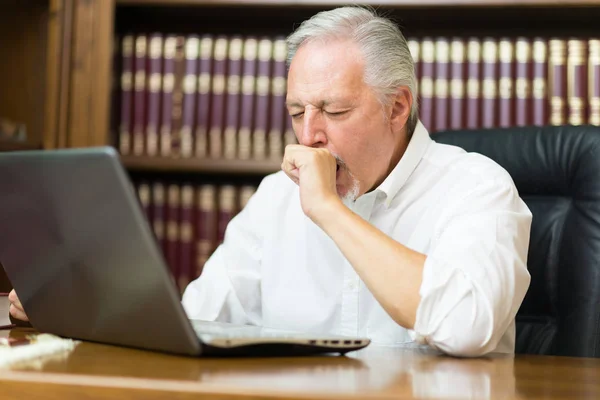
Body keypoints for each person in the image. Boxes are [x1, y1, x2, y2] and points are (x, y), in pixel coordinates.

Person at [9, 5, 532, 357]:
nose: (309, 135)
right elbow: (196, 323)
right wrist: (82, 309)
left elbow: (468, 325)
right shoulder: (275, 197)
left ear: (397, 107)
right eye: (296, 111)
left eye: (333, 110)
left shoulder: (477, 188)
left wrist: (330, 211)